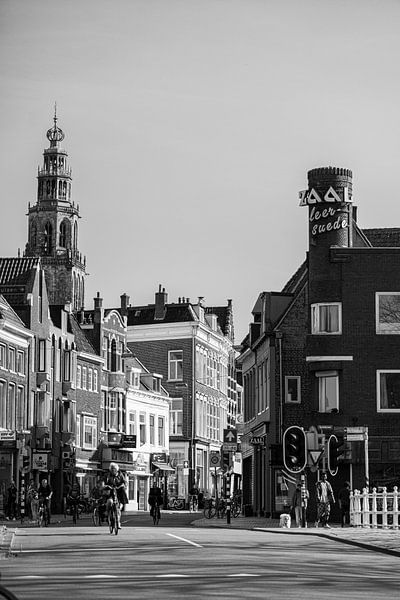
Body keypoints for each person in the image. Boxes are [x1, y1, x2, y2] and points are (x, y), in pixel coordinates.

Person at [103, 463, 128, 530]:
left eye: (114, 469)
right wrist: (105, 485)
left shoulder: (120, 475)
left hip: (119, 491)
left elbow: (125, 482)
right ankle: (107, 513)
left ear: (117, 469)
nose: (113, 470)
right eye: (112, 469)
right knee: (109, 502)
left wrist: (123, 485)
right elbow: (103, 481)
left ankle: (118, 522)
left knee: (119, 508)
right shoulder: (107, 475)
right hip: (110, 491)